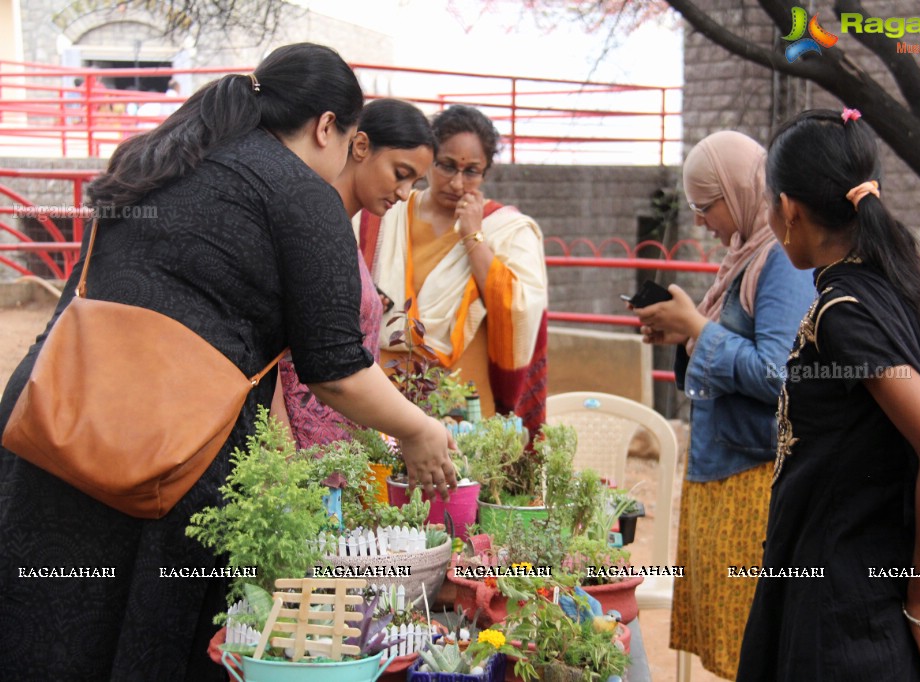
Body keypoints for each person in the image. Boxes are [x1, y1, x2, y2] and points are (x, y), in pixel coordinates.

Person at [0, 43, 457, 681]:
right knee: (145, 631)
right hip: (169, 453)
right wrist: (420, 429)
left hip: (56, 413)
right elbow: (336, 368)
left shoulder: (161, 156)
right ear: (329, 127)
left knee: (46, 617)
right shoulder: (301, 195)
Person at [736, 108, 920, 681]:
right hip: (866, 583)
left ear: (788, 210)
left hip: (847, 605)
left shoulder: (844, 312)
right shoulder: (916, 293)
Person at [631, 131, 815, 679]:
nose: (700, 220)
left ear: (739, 191)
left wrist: (696, 329)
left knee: (747, 644)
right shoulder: (746, 254)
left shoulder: (780, 259)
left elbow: (781, 374)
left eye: (703, 205)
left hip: (753, 480)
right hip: (723, 469)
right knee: (728, 642)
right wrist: (684, 334)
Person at [358, 104, 548, 433]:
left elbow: (519, 305)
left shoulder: (507, 230)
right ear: (428, 159)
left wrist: (473, 235)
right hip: (382, 391)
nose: (457, 183)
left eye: (471, 171)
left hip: (462, 398)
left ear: (485, 172)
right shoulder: (389, 211)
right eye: (446, 166)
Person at [272, 98, 436, 449]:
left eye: (415, 182)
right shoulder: (310, 229)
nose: (406, 194)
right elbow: (266, 353)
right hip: (294, 454)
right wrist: (280, 456)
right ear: (361, 146)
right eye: (400, 173)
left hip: (338, 449)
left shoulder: (339, 230)